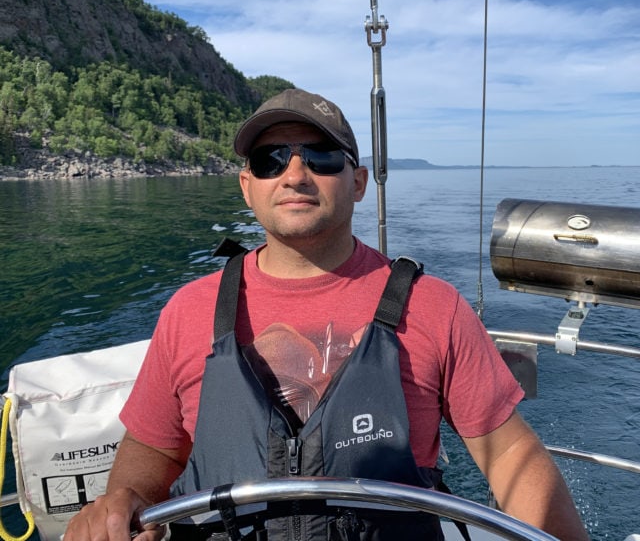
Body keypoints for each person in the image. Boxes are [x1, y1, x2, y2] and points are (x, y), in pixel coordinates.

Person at [64, 88, 588, 541]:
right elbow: (153, 446)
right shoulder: (188, 310)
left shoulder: (434, 306)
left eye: (320, 156)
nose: (295, 174)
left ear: (358, 182)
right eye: (272, 160)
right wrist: (127, 498)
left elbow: (509, 455)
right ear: (248, 186)